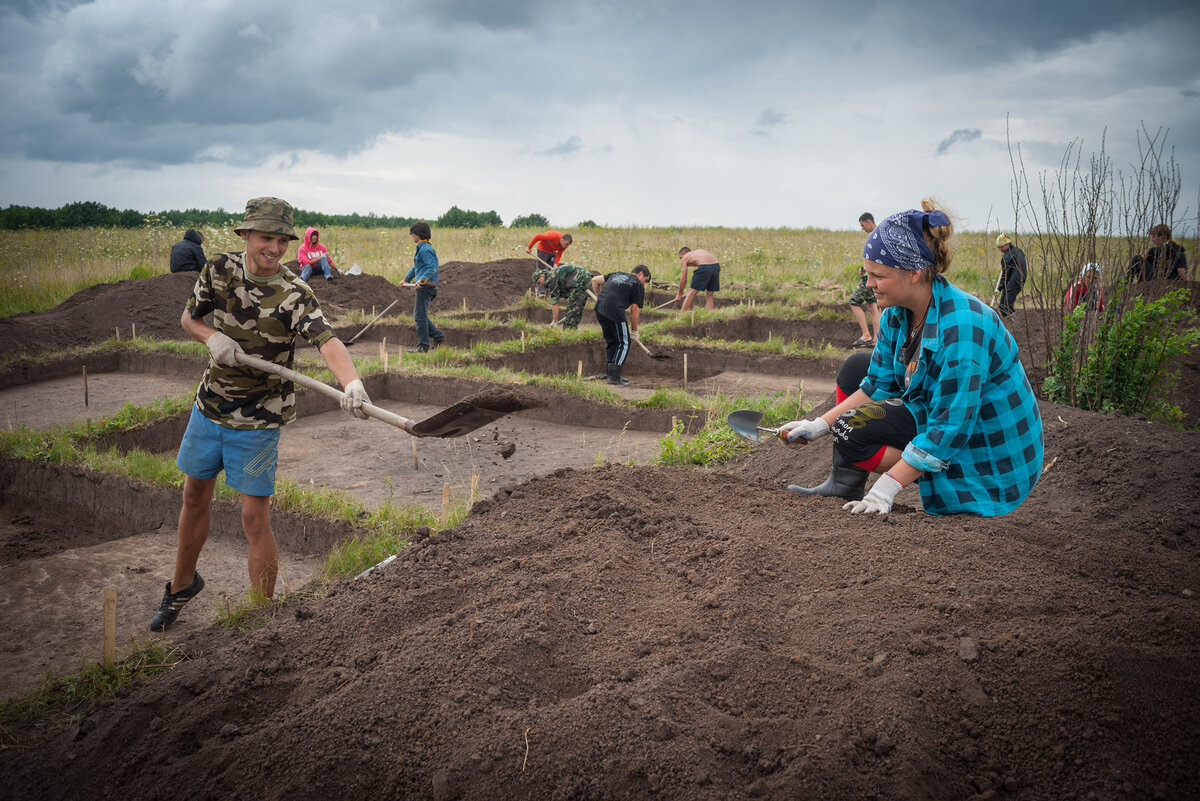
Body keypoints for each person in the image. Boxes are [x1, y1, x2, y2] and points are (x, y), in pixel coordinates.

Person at [150, 197, 371, 632]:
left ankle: (259, 621)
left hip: (259, 418)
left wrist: (351, 383)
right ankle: (181, 585)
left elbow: (327, 342)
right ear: (246, 235)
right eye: (266, 238)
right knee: (194, 495)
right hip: (210, 406)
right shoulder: (218, 270)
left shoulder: (294, 293)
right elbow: (189, 319)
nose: (274, 248)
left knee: (254, 516)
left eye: (281, 240)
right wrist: (211, 337)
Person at [782, 199, 1043, 518]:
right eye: (867, 274)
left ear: (914, 273)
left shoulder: (963, 329)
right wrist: (818, 425)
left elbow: (951, 427)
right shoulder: (896, 315)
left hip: (988, 455)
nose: (869, 284)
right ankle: (845, 483)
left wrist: (886, 489)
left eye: (878, 275)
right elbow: (877, 383)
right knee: (855, 370)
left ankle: (936, 473)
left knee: (852, 429)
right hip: (936, 408)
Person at [591, 265, 652, 385]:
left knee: (612, 341)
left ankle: (611, 374)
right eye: (645, 280)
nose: (643, 284)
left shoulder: (616, 274)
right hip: (615, 311)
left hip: (600, 309)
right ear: (640, 274)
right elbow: (634, 310)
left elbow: (595, 280)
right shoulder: (637, 284)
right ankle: (614, 378)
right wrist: (634, 331)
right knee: (624, 343)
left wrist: (599, 297)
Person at [402, 221, 445, 353]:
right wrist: (406, 278)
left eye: (412, 234)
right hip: (425, 287)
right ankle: (438, 336)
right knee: (420, 315)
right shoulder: (422, 248)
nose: (411, 237)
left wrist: (421, 280)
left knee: (419, 316)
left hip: (426, 287)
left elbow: (431, 268)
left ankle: (423, 346)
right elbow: (417, 267)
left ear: (417, 235)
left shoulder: (425, 249)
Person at [847, 213, 882, 348]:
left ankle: (866, 335)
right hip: (874, 274)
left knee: (854, 302)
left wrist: (866, 273)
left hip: (870, 276)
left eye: (862, 225)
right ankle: (876, 340)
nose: (862, 228)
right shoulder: (880, 233)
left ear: (868, 222)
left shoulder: (875, 235)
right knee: (872, 306)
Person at [533, 262, 592, 329]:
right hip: (585, 277)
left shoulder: (551, 279)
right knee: (575, 310)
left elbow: (555, 303)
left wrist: (555, 321)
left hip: (580, 280)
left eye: (539, 282)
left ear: (542, 276)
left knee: (572, 313)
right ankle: (572, 330)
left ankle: (569, 331)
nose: (540, 285)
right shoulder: (553, 274)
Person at [993, 233, 1027, 317]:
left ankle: (1011, 319)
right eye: (999, 247)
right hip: (1020, 278)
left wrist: (999, 288)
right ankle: (1005, 317)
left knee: (1006, 306)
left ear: (1008, 244)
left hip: (1015, 280)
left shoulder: (1008, 256)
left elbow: (1005, 274)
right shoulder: (1018, 251)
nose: (1000, 249)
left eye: (1002, 247)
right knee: (1003, 303)